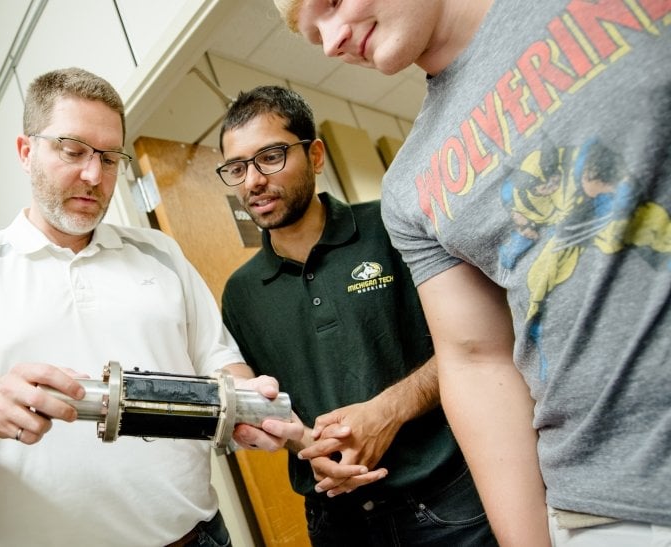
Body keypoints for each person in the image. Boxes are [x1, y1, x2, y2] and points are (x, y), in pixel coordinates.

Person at [273, 0, 671, 545]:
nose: (334, 38)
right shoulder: (410, 184)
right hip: (596, 506)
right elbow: (475, 359)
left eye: (334, 2)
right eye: (314, 35)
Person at [0, 67, 301, 547]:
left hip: (194, 538)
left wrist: (251, 406)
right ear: (26, 151)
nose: (93, 175)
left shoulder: (160, 253)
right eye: (72, 150)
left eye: (109, 158)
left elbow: (217, 359)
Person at [217, 85, 495, 546]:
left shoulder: (392, 226)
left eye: (270, 156)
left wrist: (388, 410)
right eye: (237, 168)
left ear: (317, 155)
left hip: (446, 505)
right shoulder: (241, 294)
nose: (253, 181)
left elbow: (476, 342)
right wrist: (305, 444)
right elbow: (269, 407)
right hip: (336, 522)